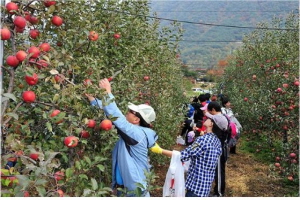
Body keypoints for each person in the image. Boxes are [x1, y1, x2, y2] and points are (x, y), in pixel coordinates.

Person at [85, 78, 157, 197]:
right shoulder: (131, 132)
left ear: (136, 119)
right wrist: (92, 99)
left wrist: (107, 92)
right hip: (125, 190)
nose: (126, 113)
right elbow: (109, 114)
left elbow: (118, 118)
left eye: (130, 112)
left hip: (135, 192)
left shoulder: (137, 135)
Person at [151, 118, 222, 197]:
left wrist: (160, 150)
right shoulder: (217, 141)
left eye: (209, 118)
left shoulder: (203, 140)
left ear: (211, 124)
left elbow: (182, 155)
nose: (206, 118)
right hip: (205, 186)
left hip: (196, 187)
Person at [203, 101, 230, 197]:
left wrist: (206, 112)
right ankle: (217, 190)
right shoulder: (223, 116)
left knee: (219, 171)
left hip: (220, 149)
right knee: (218, 170)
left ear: (213, 110)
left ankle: (219, 193)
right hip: (221, 147)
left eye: (210, 111)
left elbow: (210, 116)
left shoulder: (219, 118)